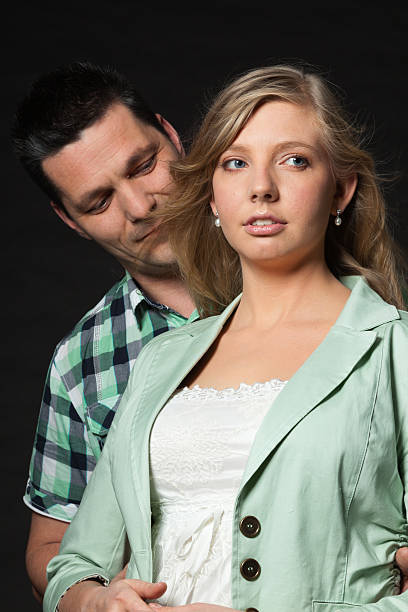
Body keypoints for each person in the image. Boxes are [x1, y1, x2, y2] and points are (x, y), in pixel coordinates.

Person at [43, 64, 408, 612]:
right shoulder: (161, 361)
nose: (262, 187)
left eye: (294, 160)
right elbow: (71, 567)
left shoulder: (394, 351)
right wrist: (99, 603)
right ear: (212, 195)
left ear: (340, 190)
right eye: (235, 164)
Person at [11, 61, 196, 601]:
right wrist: (93, 598)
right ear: (69, 219)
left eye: (143, 166)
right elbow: (50, 545)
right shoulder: (81, 363)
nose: (140, 209)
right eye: (99, 201)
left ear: (171, 134)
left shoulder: (305, 268)